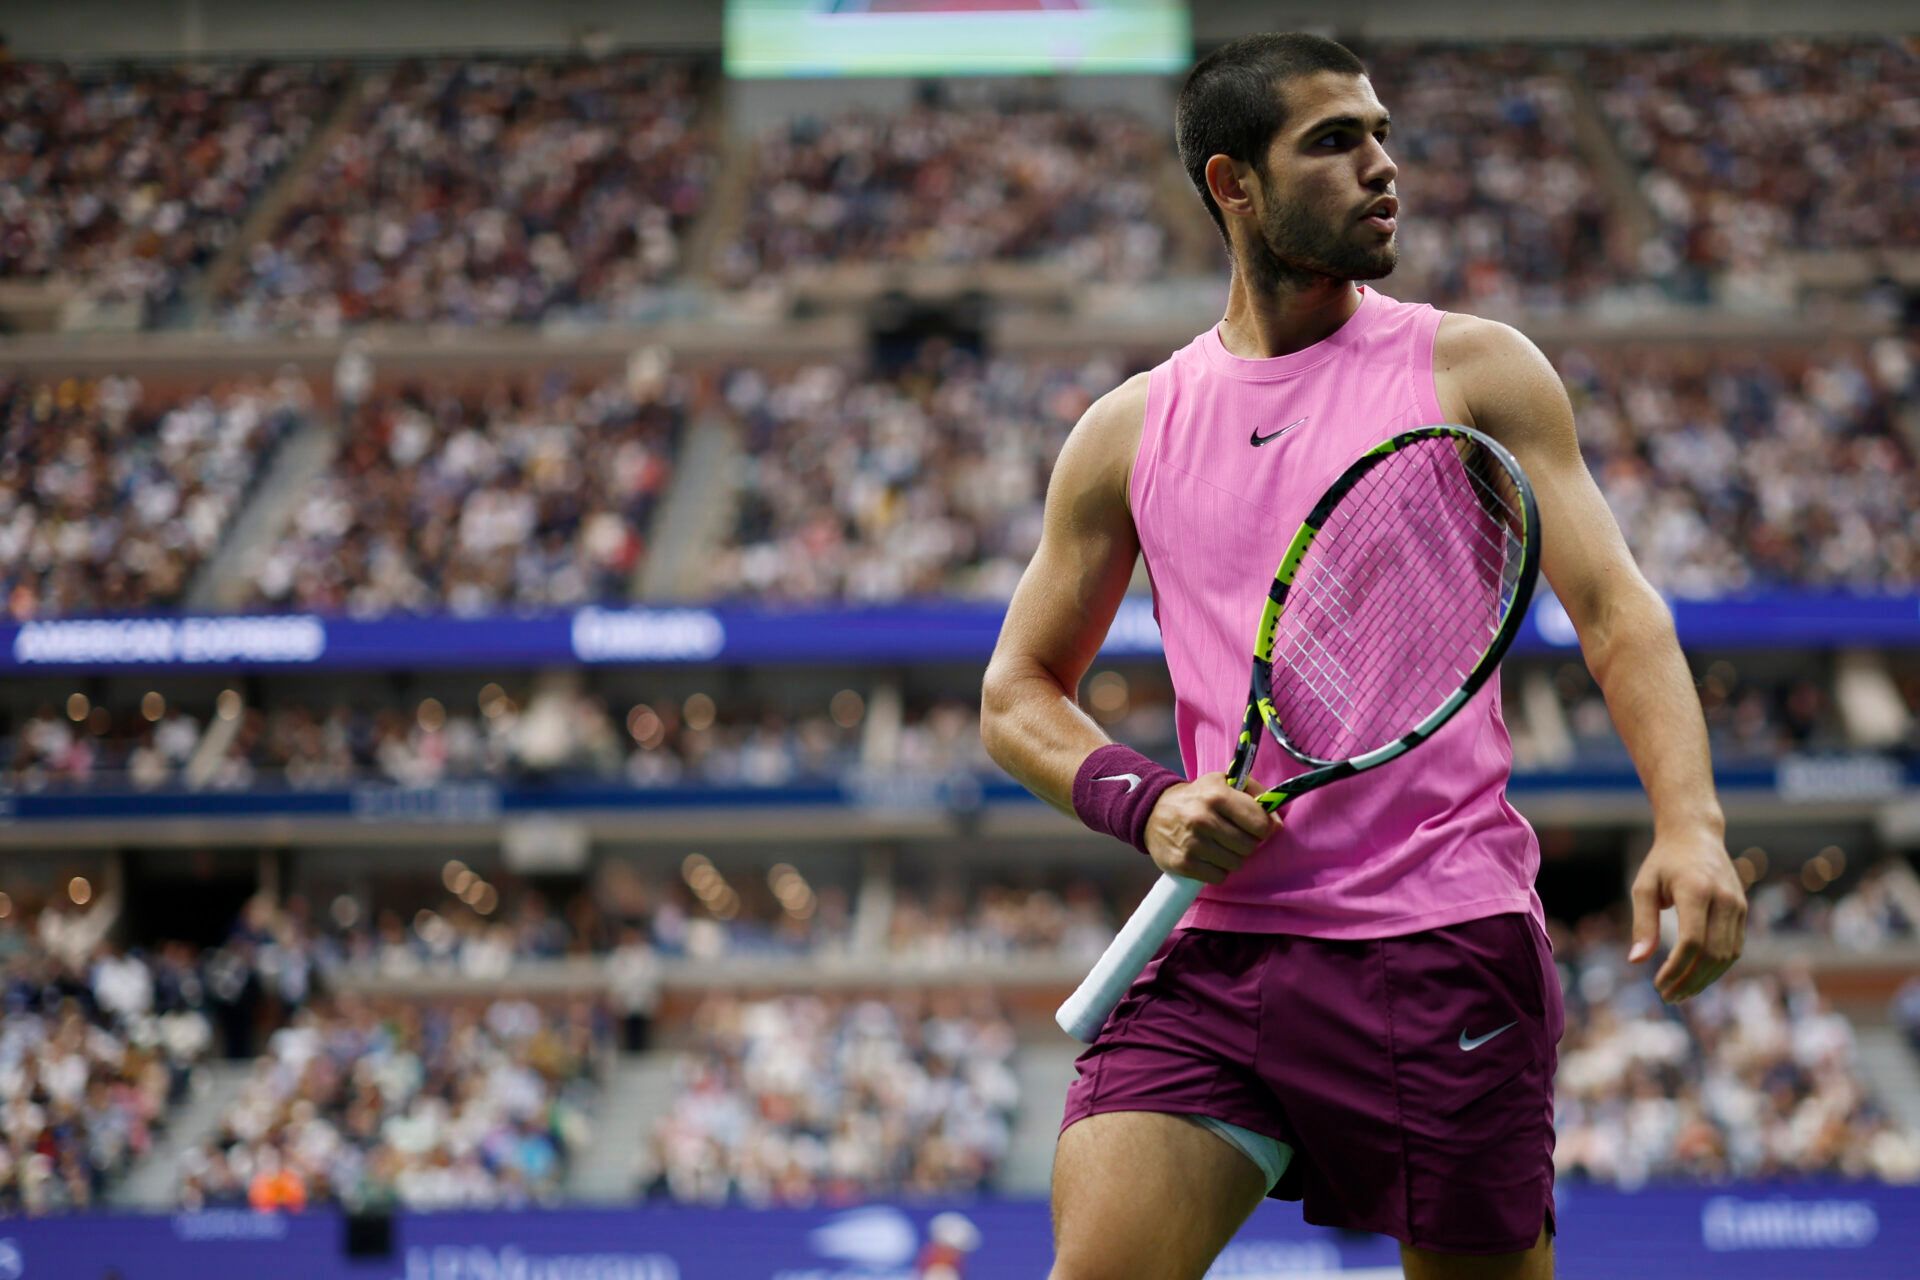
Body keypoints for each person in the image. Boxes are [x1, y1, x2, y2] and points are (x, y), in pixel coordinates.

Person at [979, 33, 1747, 1280]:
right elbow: (1015, 694)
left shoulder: (1475, 368)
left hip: (1442, 944)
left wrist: (1692, 822)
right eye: (1335, 142)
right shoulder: (1127, 430)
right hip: (1220, 949)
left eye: (1381, 135)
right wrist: (1149, 802)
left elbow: (1616, 609)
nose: (1382, 166)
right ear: (1233, 183)